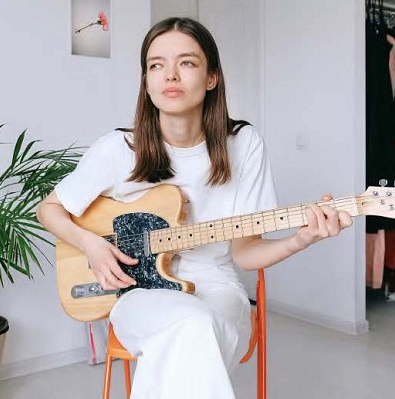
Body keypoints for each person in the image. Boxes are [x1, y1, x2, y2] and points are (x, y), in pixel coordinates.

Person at [37, 17, 352, 399]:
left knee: (196, 327)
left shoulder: (244, 144)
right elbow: (49, 209)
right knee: (193, 327)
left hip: (217, 286)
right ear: (146, 81)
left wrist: (303, 237)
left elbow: (246, 254)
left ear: (211, 78)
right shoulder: (118, 149)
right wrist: (91, 244)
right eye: (156, 65)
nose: (170, 75)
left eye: (186, 63)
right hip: (137, 291)